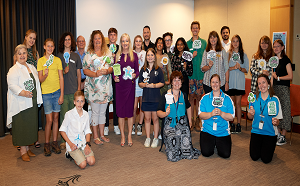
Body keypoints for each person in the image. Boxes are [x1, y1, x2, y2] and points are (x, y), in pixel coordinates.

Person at [7, 44, 43, 161]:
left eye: (24, 53)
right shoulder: (13, 70)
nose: (22, 55)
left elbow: (36, 83)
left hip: (31, 102)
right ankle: (23, 150)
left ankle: (27, 148)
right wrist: (23, 93)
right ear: (15, 56)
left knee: (30, 125)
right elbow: (12, 85)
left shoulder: (31, 67)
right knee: (22, 126)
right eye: (19, 53)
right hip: (20, 103)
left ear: (27, 54)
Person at [157, 71, 201, 162]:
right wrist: (165, 113)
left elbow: (188, 107)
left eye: (179, 80)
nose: (177, 83)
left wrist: (190, 120)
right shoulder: (166, 95)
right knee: (172, 139)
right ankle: (170, 148)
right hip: (170, 123)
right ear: (171, 82)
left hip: (182, 122)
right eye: (174, 80)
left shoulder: (184, 95)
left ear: (181, 82)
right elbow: (158, 112)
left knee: (185, 138)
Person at [82, 30, 113, 145]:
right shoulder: (89, 54)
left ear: (102, 40)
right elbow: (85, 70)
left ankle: (102, 135)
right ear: (92, 40)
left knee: (103, 112)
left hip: (105, 88)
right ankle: (95, 136)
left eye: (99, 38)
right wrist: (95, 74)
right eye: (95, 38)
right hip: (93, 89)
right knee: (95, 112)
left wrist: (108, 70)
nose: (97, 40)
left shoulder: (108, 53)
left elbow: (112, 67)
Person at [37, 38, 64, 156]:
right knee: (49, 120)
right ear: (44, 47)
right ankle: (47, 144)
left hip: (57, 92)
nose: (50, 48)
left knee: (56, 118)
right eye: (48, 46)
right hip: (46, 93)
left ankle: (54, 142)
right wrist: (45, 74)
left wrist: (62, 94)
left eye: (52, 46)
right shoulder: (41, 61)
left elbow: (61, 77)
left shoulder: (57, 60)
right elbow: (40, 79)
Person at [248, 74, 282, 164]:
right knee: (254, 157)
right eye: (259, 83)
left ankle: (269, 146)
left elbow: (278, 120)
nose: (262, 85)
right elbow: (249, 117)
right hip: (256, 132)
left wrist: (276, 121)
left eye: (263, 82)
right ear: (257, 86)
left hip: (270, 133)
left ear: (268, 84)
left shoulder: (274, 99)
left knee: (266, 159)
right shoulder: (253, 98)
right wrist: (251, 113)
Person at [199, 74, 235, 158]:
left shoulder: (227, 99)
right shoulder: (204, 98)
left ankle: (217, 143)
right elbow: (201, 115)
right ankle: (213, 143)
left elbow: (231, 117)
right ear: (210, 84)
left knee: (225, 154)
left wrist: (221, 113)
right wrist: (211, 114)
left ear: (220, 83)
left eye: (217, 82)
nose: (215, 84)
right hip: (208, 130)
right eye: (213, 82)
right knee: (206, 153)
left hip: (223, 131)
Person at [113, 33, 139, 147]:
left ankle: (129, 136)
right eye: (123, 41)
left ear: (129, 42)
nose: (125, 43)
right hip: (119, 87)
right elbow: (115, 72)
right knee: (121, 113)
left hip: (130, 86)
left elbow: (137, 71)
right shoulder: (117, 56)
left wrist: (134, 75)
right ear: (121, 43)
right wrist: (115, 77)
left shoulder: (134, 55)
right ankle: (123, 135)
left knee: (129, 112)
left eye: (127, 41)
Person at [58, 32, 82, 150]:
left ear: (72, 42)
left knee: (75, 117)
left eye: (69, 40)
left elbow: (78, 73)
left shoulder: (76, 56)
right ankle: (63, 141)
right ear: (63, 42)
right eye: (65, 40)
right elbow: (55, 74)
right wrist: (63, 71)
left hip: (74, 91)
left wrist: (78, 89)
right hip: (63, 91)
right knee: (64, 116)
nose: (67, 41)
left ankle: (74, 138)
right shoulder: (58, 56)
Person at [59, 90, 95, 169]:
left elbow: (87, 131)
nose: (79, 103)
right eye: (77, 101)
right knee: (83, 165)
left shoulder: (86, 114)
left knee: (91, 162)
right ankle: (69, 154)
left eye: (81, 101)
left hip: (82, 143)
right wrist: (70, 144)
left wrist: (87, 145)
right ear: (74, 102)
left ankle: (80, 155)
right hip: (73, 144)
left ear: (84, 102)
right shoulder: (69, 114)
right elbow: (62, 130)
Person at [138, 48, 165, 148]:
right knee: (147, 119)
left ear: (154, 57)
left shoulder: (159, 69)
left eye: (151, 55)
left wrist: (153, 85)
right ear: (146, 57)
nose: (150, 57)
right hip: (146, 98)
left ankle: (155, 138)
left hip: (156, 98)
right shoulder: (143, 69)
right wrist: (144, 85)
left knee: (155, 119)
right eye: (148, 55)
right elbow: (139, 83)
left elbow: (162, 83)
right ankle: (148, 137)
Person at [271, 39, 293, 146]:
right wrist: (270, 88)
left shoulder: (286, 60)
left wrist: (278, 78)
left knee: (284, 110)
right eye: (274, 46)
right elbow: (272, 76)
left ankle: (283, 135)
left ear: (282, 47)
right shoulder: (273, 60)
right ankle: (278, 134)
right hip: (275, 88)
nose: (276, 48)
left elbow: (290, 76)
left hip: (283, 88)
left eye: (278, 46)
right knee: (276, 111)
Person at [187, 21, 207, 132]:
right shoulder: (187, 43)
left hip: (200, 75)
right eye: (193, 28)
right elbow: (185, 58)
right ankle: (192, 120)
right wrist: (191, 56)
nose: (195, 29)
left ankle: (198, 121)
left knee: (199, 99)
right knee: (191, 98)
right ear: (191, 29)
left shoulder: (204, 43)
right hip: (191, 75)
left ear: (199, 29)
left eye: (197, 28)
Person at [23, 29, 41, 148]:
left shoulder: (36, 53)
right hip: (24, 87)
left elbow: (38, 70)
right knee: (25, 114)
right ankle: (23, 141)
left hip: (34, 86)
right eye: (30, 37)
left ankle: (34, 138)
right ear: (26, 37)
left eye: (34, 39)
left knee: (34, 114)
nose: (32, 40)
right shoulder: (21, 51)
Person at [227, 35, 249, 133]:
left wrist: (240, 68)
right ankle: (231, 123)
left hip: (239, 83)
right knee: (231, 104)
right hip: (231, 82)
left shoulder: (243, 55)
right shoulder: (228, 54)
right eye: (233, 41)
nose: (235, 43)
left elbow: (246, 70)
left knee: (239, 104)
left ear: (240, 43)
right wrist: (233, 68)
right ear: (231, 43)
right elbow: (225, 68)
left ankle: (239, 124)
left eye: (237, 41)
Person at [104, 28, 120, 136]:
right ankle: (105, 126)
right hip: (106, 77)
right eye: (111, 34)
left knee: (116, 102)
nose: (112, 36)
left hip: (116, 77)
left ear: (116, 36)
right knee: (105, 101)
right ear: (108, 36)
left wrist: (116, 58)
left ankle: (115, 125)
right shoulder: (104, 48)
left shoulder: (119, 48)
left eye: (114, 35)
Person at [132, 35, 146, 136]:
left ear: (142, 43)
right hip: (133, 82)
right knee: (133, 106)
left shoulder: (145, 53)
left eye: (140, 41)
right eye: (136, 41)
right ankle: (132, 124)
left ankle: (140, 124)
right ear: (134, 42)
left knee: (142, 105)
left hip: (142, 81)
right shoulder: (131, 53)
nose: (138, 43)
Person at [75, 35, 88, 111]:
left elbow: (91, 69)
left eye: (82, 41)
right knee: (77, 105)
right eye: (79, 41)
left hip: (86, 82)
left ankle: (84, 122)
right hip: (76, 83)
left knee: (85, 104)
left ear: (85, 43)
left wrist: (84, 82)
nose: (81, 43)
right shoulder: (73, 55)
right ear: (76, 43)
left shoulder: (88, 55)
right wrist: (79, 83)